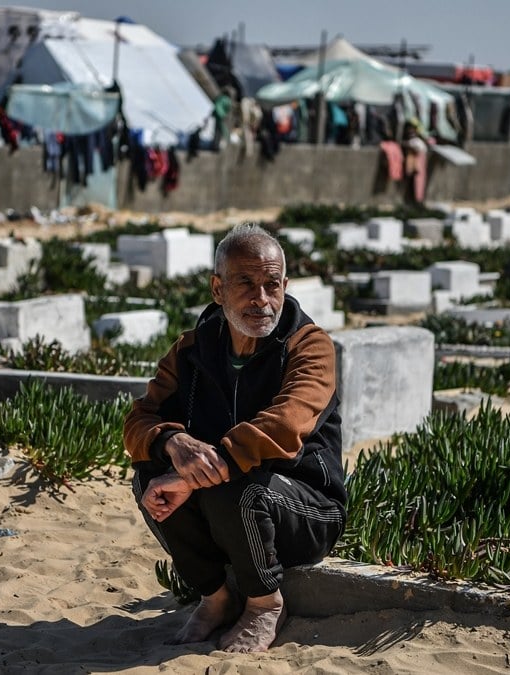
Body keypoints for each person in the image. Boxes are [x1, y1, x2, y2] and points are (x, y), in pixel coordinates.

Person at [123, 224, 346, 653]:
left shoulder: (309, 346)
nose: (261, 299)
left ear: (285, 287)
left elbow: (286, 423)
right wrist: (172, 442)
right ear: (217, 289)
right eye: (245, 283)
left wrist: (200, 472)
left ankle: (264, 604)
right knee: (148, 476)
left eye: (272, 285)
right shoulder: (190, 350)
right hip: (226, 498)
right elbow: (139, 420)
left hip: (305, 505)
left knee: (236, 486)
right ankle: (216, 597)